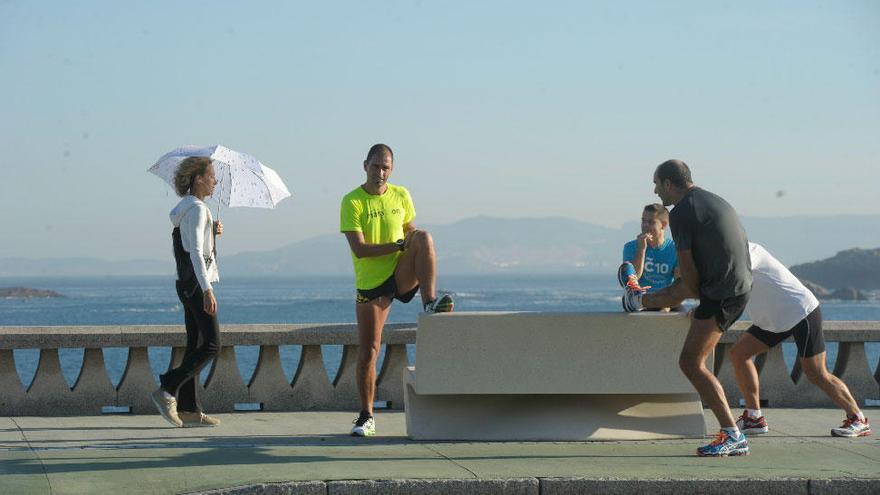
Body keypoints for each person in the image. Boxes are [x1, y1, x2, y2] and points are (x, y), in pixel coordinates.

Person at [623, 159, 752, 457]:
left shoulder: (682, 212)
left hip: (722, 293)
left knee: (691, 362)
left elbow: (688, 287)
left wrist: (644, 301)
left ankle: (733, 434)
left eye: (657, 184)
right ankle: (732, 433)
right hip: (737, 287)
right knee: (695, 360)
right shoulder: (714, 200)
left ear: (669, 183)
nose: (656, 192)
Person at [340, 144, 454, 437]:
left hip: (399, 274)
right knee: (369, 351)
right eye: (376, 166)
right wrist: (398, 246)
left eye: (386, 167)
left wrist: (412, 248)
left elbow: (411, 233)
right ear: (365, 165)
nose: (381, 172)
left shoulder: (401, 194)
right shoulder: (352, 201)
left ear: (392, 169)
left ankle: (428, 302)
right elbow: (360, 249)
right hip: (371, 285)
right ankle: (366, 417)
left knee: (424, 237)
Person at [729, 242, 871, 438]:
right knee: (739, 354)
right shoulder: (722, 255)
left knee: (816, 372)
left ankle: (858, 419)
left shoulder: (749, 250)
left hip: (800, 311)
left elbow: (734, 279)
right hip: (773, 318)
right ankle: (754, 418)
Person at [151, 156, 223, 428]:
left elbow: (193, 244)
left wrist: (213, 233)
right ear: (198, 179)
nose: (215, 181)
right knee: (212, 344)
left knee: (195, 344)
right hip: (195, 284)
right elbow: (194, 251)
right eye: (212, 175)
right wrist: (207, 290)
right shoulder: (197, 210)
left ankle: (190, 409)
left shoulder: (189, 210)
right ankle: (167, 389)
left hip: (187, 283)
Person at [620, 204, 679, 310]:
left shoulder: (674, 249)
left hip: (664, 300)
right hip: (640, 301)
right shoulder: (630, 247)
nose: (645, 225)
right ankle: (636, 300)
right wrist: (641, 249)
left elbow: (679, 284)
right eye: (643, 221)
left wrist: (669, 304)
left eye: (651, 222)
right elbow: (634, 277)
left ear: (664, 225)